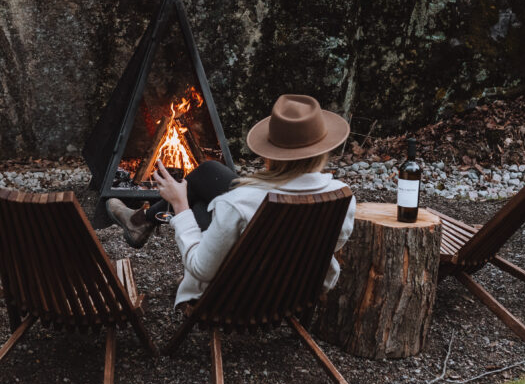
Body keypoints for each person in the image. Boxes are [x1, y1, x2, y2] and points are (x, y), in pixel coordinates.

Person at [107, 94, 356, 307]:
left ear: (271, 154)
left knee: (199, 205)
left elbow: (201, 268)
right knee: (209, 171)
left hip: (239, 294)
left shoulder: (239, 203)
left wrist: (180, 205)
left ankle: (143, 221)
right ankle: (143, 220)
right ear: (322, 150)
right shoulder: (341, 195)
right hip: (297, 288)